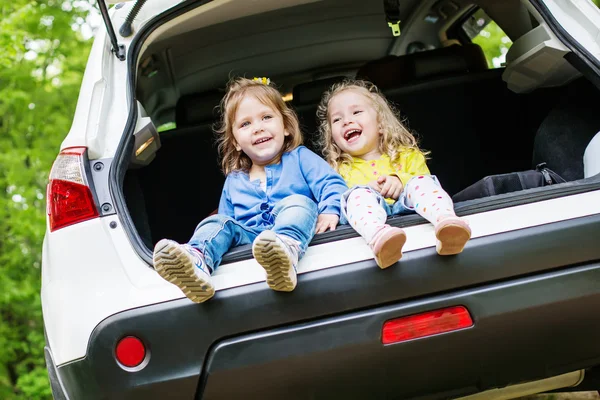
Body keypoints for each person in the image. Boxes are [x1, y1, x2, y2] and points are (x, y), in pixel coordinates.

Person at [153, 77, 347, 303]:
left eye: (266, 117)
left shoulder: (300, 158)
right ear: (235, 141)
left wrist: (331, 210)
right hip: (252, 244)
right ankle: (198, 261)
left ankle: (285, 252)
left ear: (285, 126)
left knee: (299, 203)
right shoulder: (235, 180)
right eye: (245, 124)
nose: (258, 128)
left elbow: (331, 184)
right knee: (217, 222)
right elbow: (228, 224)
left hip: (297, 233)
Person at [317, 79, 471, 269]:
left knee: (421, 182)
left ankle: (447, 222)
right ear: (332, 137)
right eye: (337, 119)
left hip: (411, 209)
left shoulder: (406, 155)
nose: (347, 121)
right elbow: (335, 203)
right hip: (369, 224)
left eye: (356, 112)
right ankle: (380, 239)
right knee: (355, 196)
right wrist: (364, 190)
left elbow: (427, 182)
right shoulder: (336, 169)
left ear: (381, 124)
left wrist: (400, 181)